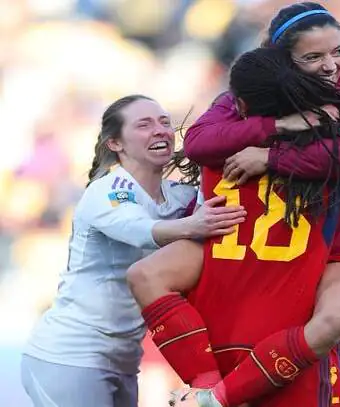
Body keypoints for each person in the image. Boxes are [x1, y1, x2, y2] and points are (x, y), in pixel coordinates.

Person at [127, 46, 340, 407]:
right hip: (292, 335)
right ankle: (213, 395)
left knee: (145, 275)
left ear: (242, 106)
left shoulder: (219, 145)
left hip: (223, 318)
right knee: (334, 321)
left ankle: (206, 386)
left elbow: (198, 140)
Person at [183, 0, 340, 384]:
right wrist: (279, 125)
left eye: (338, 51)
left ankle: (216, 394)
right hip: (264, 259)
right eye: (314, 56)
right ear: (283, 61)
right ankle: (205, 385)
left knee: (327, 333)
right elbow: (198, 142)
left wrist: (272, 156)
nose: (331, 65)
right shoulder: (259, 89)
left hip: (332, 250)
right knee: (150, 276)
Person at [20, 95, 247, 407]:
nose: (160, 130)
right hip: (71, 355)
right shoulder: (108, 190)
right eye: (144, 125)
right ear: (116, 143)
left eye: (165, 122)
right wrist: (194, 225)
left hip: (124, 358)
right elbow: (138, 230)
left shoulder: (178, 197)